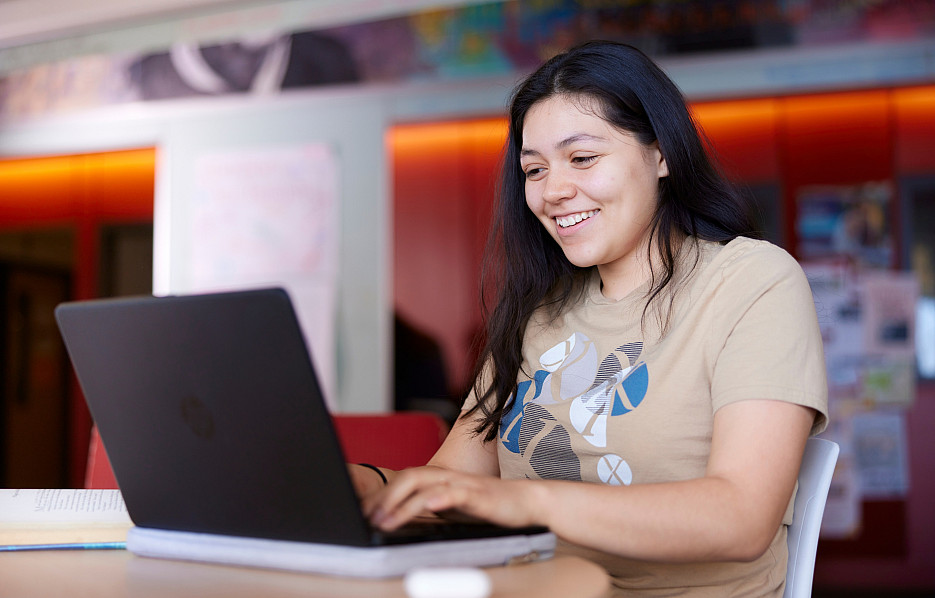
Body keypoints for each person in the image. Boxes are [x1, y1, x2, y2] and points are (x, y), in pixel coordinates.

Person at [350, 40, 828, 597]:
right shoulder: (540, 310)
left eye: (583, 158)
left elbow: (741, 517)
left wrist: (525, 499)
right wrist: (361, 484)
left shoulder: (753, 281)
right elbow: (453, 484)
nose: (553, 190)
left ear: (661, 153)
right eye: (534, 169)